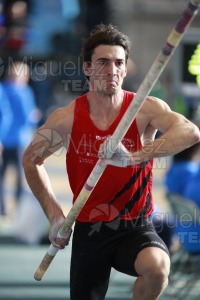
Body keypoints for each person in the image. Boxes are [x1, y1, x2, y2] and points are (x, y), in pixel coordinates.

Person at [22, 24, 200, 300]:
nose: (112, 70)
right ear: (87, 68)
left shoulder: (144, 110)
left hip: (136, 224)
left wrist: (135, 155)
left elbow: (191, 132)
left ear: (126, 68)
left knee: (158, 269)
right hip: (90, 229)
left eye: (119, 63)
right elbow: (31, 160)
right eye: (103, 62)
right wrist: (54, 214)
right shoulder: (67, 118)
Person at [0, 61, 40, 216]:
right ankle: (18, 206)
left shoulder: (3, 88)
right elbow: (26, 116)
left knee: (3, 175)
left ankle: (3, 207)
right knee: (20, 175)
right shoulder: (24, 91)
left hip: (5, 140)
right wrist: (34, 116)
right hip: (19, 140)